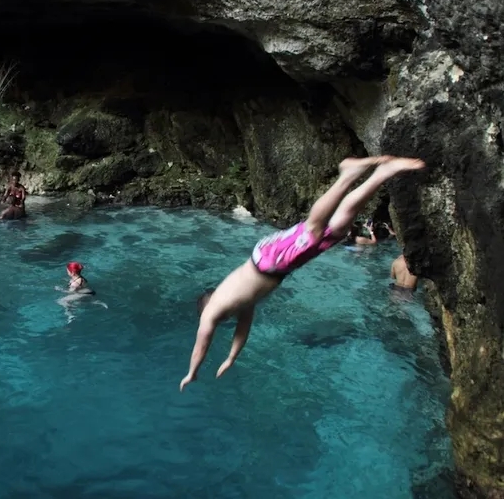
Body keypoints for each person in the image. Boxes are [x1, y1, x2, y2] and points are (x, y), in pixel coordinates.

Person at [180, 156, 426, 392]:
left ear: (208, 306)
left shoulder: (213, 311)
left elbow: (201, 343)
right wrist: (231, 358)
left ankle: (347, 175)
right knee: (338, 229)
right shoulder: (242, 304)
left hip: (268, 260)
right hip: (279, 264)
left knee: (313, 228)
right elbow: (243, 331)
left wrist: (192, 372)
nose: (222, 320)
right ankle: (379, 175)